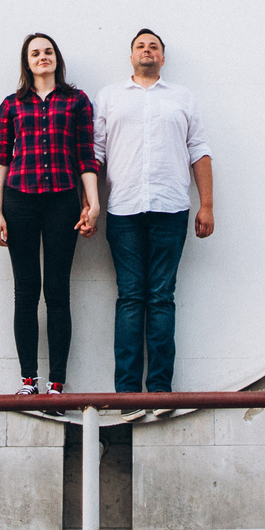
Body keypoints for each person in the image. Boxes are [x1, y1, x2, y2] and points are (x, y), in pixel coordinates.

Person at [93, 27, 212, 396]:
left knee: (161, 297)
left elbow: (199, 149)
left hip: (170, 207)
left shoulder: (182, 97)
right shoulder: (110, 97)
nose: (147, 51)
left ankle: (160, 389)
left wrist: (206, 204)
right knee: (130, 297)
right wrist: (89, 203)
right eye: (140, 46)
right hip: (124, 209)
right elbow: (95, 153)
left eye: (154, 47)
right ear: (131, 57)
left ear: (162, 57)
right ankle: (127, 392)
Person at [0, 31, 100, 398]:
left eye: (48, 51)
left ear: (57, 58)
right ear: (27, 62)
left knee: (57, 291)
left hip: (62, 202)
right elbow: (1, 158)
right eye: (35, 53)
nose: (42, 57)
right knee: (25, 292)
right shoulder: (11, 105)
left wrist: (92, 201)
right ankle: (27, 381)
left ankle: (56, 383)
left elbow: (86, 154)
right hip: (19, 201)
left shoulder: (76, 101)